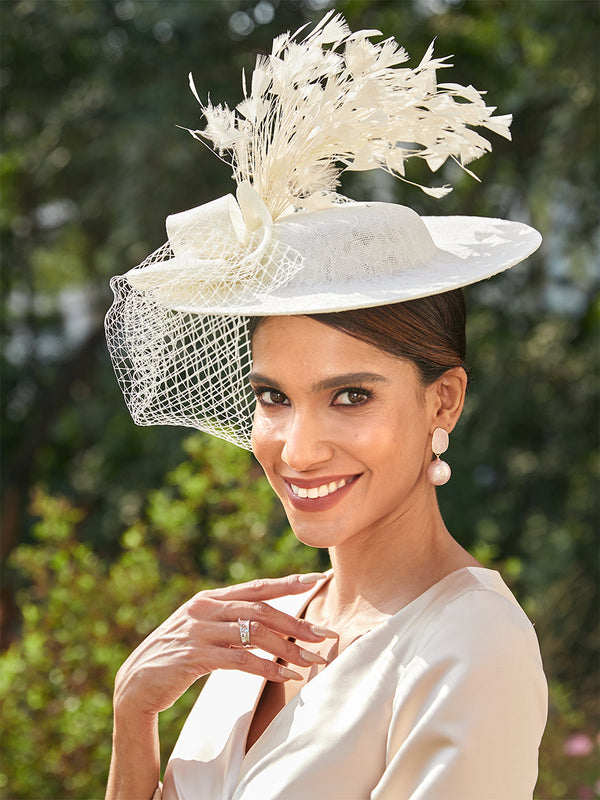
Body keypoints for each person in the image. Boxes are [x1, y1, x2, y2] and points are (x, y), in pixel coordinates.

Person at [104, 13, 547, 800]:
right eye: (273, 397)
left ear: (442, 401)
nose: (297, 449)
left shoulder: (470, 646)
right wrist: (134, 715)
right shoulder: (253, 634)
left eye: (349, 396)